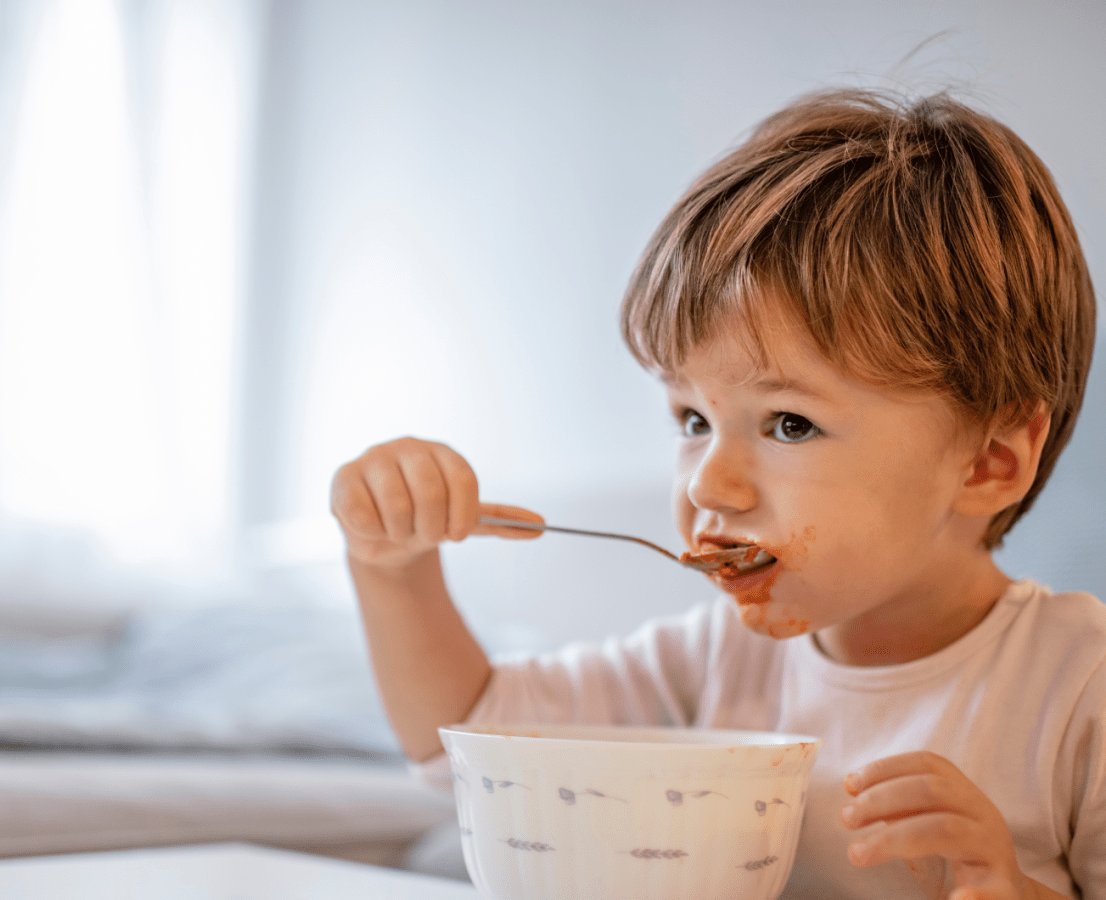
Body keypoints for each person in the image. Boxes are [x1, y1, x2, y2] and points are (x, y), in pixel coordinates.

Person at [330, 88, 1102, 900]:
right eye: (693, 418)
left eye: (790, 424)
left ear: (988, 464)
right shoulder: (716, 660)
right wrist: (392, 570)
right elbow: (474, 736)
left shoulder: (1080, 686)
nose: (706, 483)